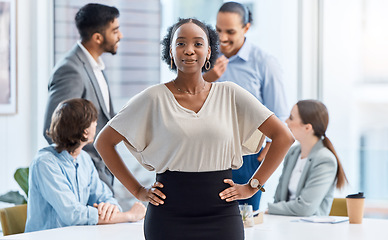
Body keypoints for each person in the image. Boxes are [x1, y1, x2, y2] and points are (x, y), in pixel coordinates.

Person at [94, 18, 294, 240]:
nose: (189, 50)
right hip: (168, 216)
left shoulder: (230, 94)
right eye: (180, 43)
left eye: (198, 44)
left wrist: (252, 186)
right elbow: (104, 142)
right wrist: (138, 191)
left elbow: (283, 136)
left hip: (222, 215)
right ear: (171, 51)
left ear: (209, 52)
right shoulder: (153, 97)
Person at [203, 1, 289, 210]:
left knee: (243, 218)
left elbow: (280, 112)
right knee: (206, 215)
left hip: (247, 156)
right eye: (218, 30)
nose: (222, 38)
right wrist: (207, 77)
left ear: (246, 28)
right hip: (207, 153)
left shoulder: (264, 63)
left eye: (230, 31)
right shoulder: (206, 58)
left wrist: (268, 146)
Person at [25, 98, 146, 233]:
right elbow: (72, 215)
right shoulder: (45, 163)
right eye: (94, 122)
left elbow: (105, 197)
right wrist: (129, 216)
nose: (96, 125)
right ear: (84, 131)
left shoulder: (84, 159)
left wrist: (109, 207)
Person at [43, 3, 123, 192]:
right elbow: (53, 129)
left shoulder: (97, 66)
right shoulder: (71, 70)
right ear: (97, 37)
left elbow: (105, 119)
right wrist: (87, 168)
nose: (120, 36)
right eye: (115, 30)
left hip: (103, 172)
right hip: (87, 179)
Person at [267, 100, 348, 216]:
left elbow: (305, 208)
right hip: (285, 223)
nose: (286, 121)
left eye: (291, 118)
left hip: (311, 229)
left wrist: (271, 209)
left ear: (307, 128)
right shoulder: (293, 153)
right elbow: (279, 198)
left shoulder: (325, 160)